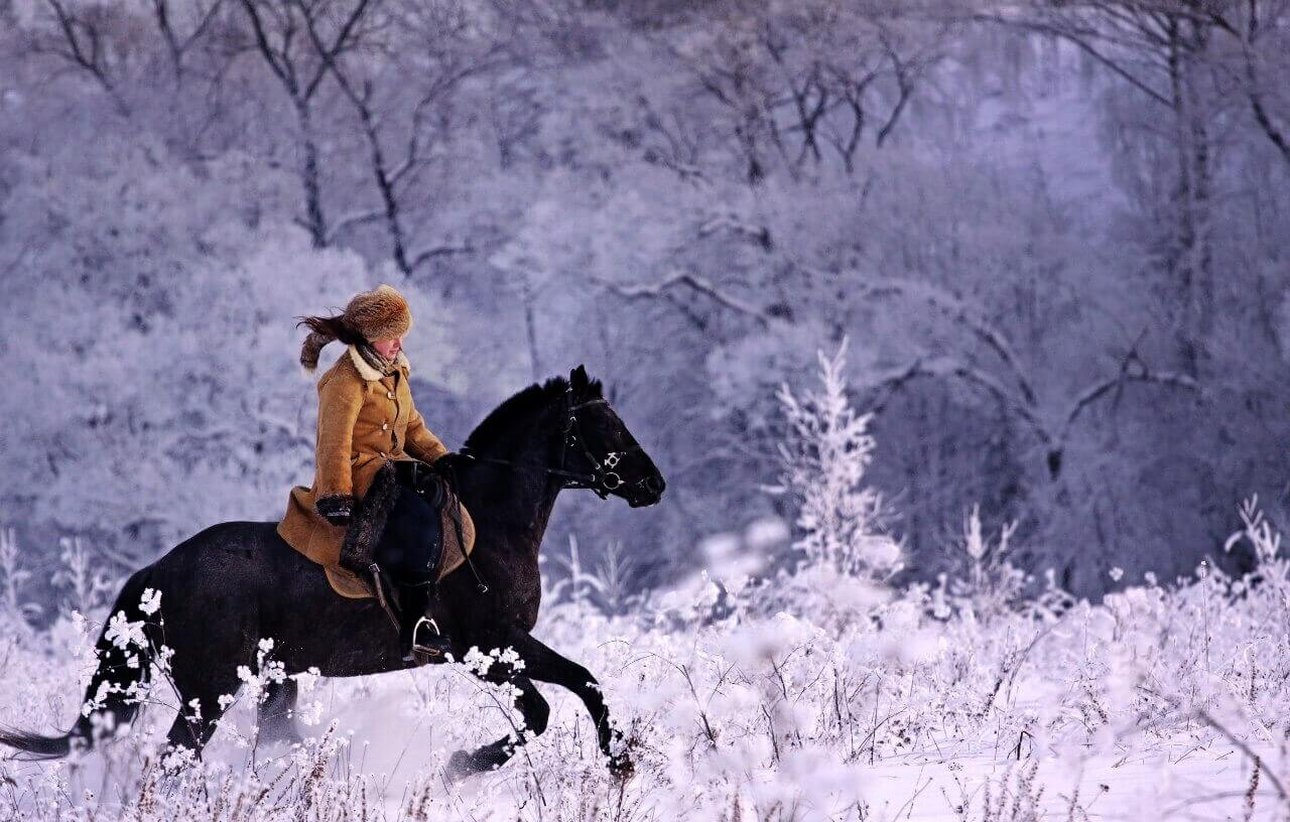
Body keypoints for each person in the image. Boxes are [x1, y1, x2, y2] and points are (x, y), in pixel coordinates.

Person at [277, 284, 452, 664]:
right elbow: (332, 444)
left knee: (440, 498)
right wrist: (337, 495)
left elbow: (413, 429)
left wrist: (442, 459)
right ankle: (416, 626)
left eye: (401, 334)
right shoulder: (344, 381)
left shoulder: (395, 370)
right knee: (418, 522)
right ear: (371, 337)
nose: (399, 343)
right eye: (392, 336)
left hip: (392, 466)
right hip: (358, 474)